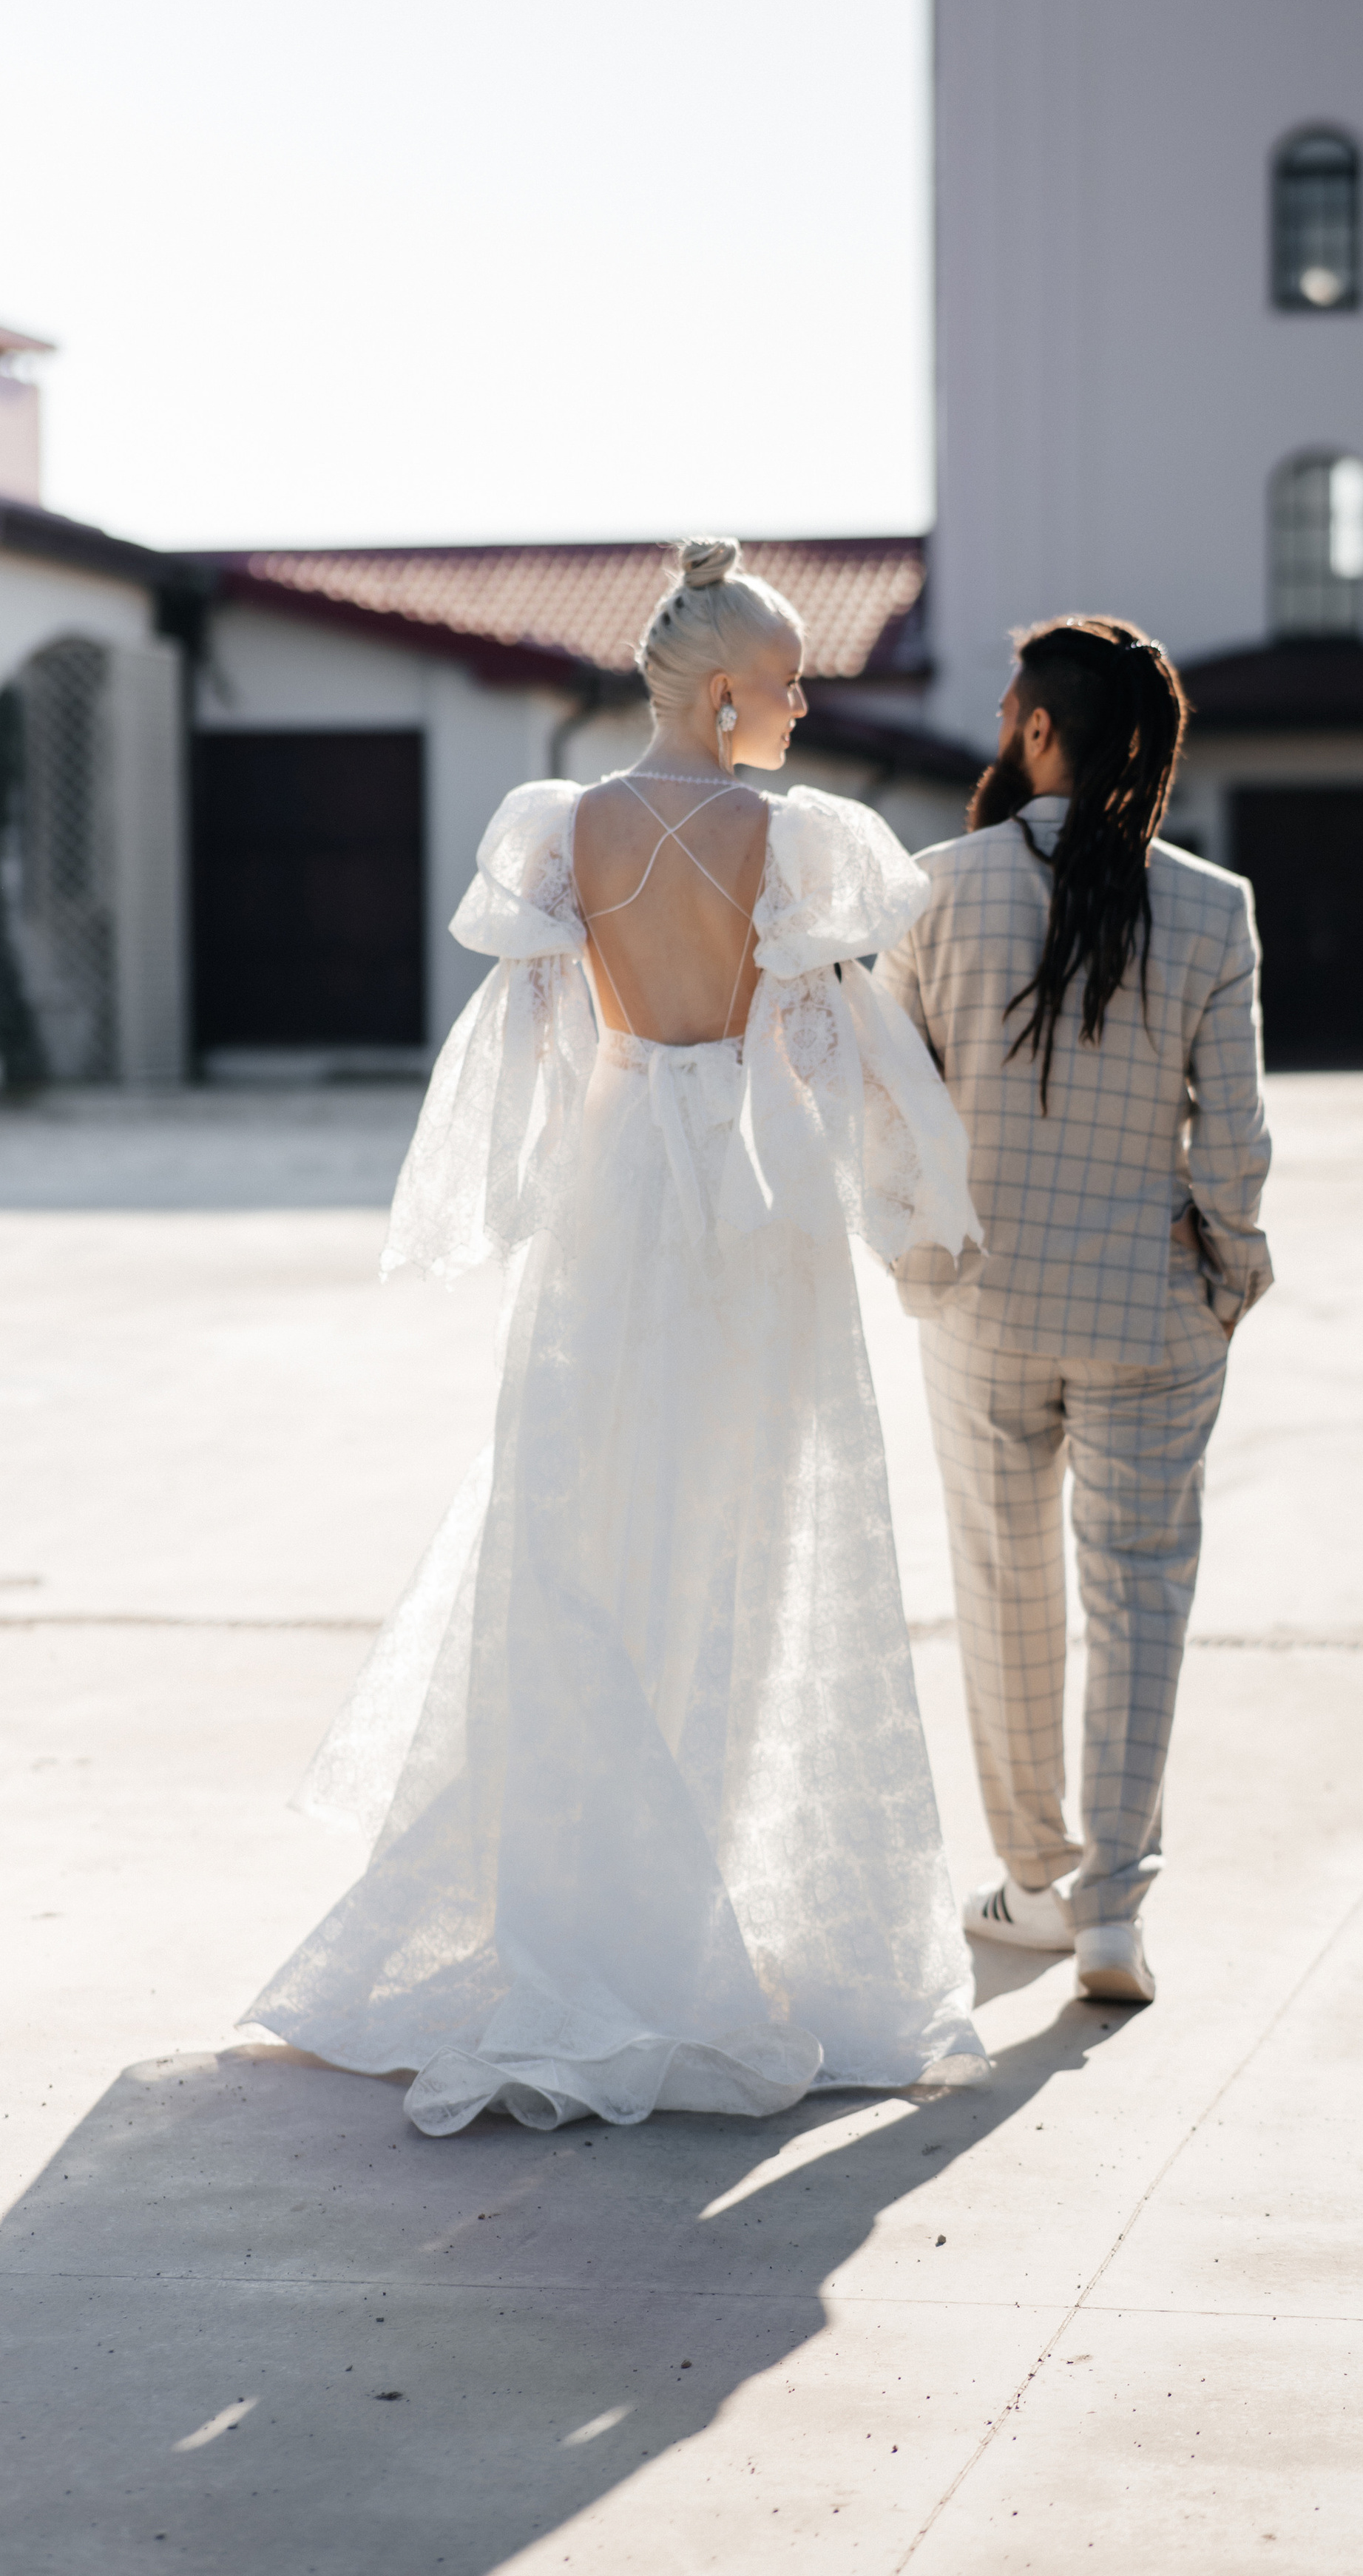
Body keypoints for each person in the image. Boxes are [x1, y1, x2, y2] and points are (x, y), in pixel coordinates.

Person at [246, 540, 987, 2133]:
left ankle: (611, 1899)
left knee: (585, 1524)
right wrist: (911, 1199)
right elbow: (834, 1053)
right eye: (787, 683)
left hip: (612, 1200)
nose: (802, 708)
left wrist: (517, 1196)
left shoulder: (562, 828)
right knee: (750, 1533)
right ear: (722, 695)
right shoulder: (788, 841)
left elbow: (526, 1047)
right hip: (749, 1219)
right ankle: (701, 1901)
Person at [874, 615, 1273, 2007]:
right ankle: (1113, 1917)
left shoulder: (930, 891)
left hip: (981, 1304)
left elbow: (892, 1110)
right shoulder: (1214, 907)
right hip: (1149, 1309)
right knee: (1141, 1593)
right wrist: (1230, 1274)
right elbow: (1236, 1140)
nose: (999, 731)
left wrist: (919, 1261)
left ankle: (1034, 1881)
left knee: (1005, 1587)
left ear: (1039, 730)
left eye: (1008, 713)